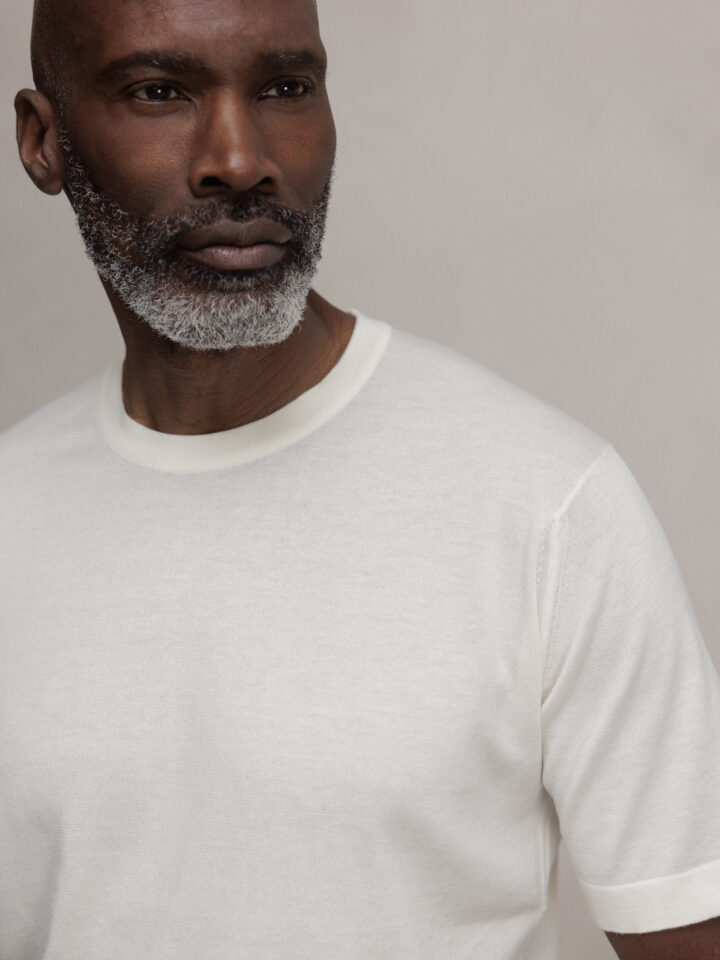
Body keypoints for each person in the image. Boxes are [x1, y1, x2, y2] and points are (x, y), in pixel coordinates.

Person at [3, 0, 719, 957]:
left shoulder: (548, 504)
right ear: (44, 142)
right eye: (159, 92)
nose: (239, 159)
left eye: (284, 87)